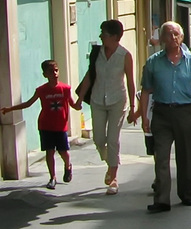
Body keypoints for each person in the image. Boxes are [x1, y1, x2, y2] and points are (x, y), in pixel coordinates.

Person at [140, 21, 191, 212]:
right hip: (162, 113)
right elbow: (146, 90)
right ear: (162, 38)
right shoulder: (153, 62)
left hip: (185, 112)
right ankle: (161, 199)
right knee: (161, 156)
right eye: (169, 34)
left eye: (176, 34)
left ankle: (187, 193)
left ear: (182, 37)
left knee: (187, 155)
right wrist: (144, 116)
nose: (173, 38)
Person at [2, 60, 81, 190]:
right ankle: (52, 178)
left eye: (56, 70)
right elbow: (28, 103)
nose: (54, 73)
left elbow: (73, 104)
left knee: (63, 152)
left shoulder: (65, 89)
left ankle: (68, 166)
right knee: (49, 152)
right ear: (45, 74)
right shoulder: (41, 90)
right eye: (51, 71)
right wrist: (10, 109)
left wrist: (79, 104)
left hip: (60, 126)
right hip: (45, 126)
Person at [80, 19, 137, 195]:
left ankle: (113, 177)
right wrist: (79, 98)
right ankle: (110, 161)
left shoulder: (124, 55)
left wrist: (134, 106)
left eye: (103, 33)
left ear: (114, 37)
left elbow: (130, 81)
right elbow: (90, 76)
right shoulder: (97, 52)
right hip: (97, 99)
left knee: (112, 139)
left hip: (117, 101)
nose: (100, 36)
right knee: (98, 139)